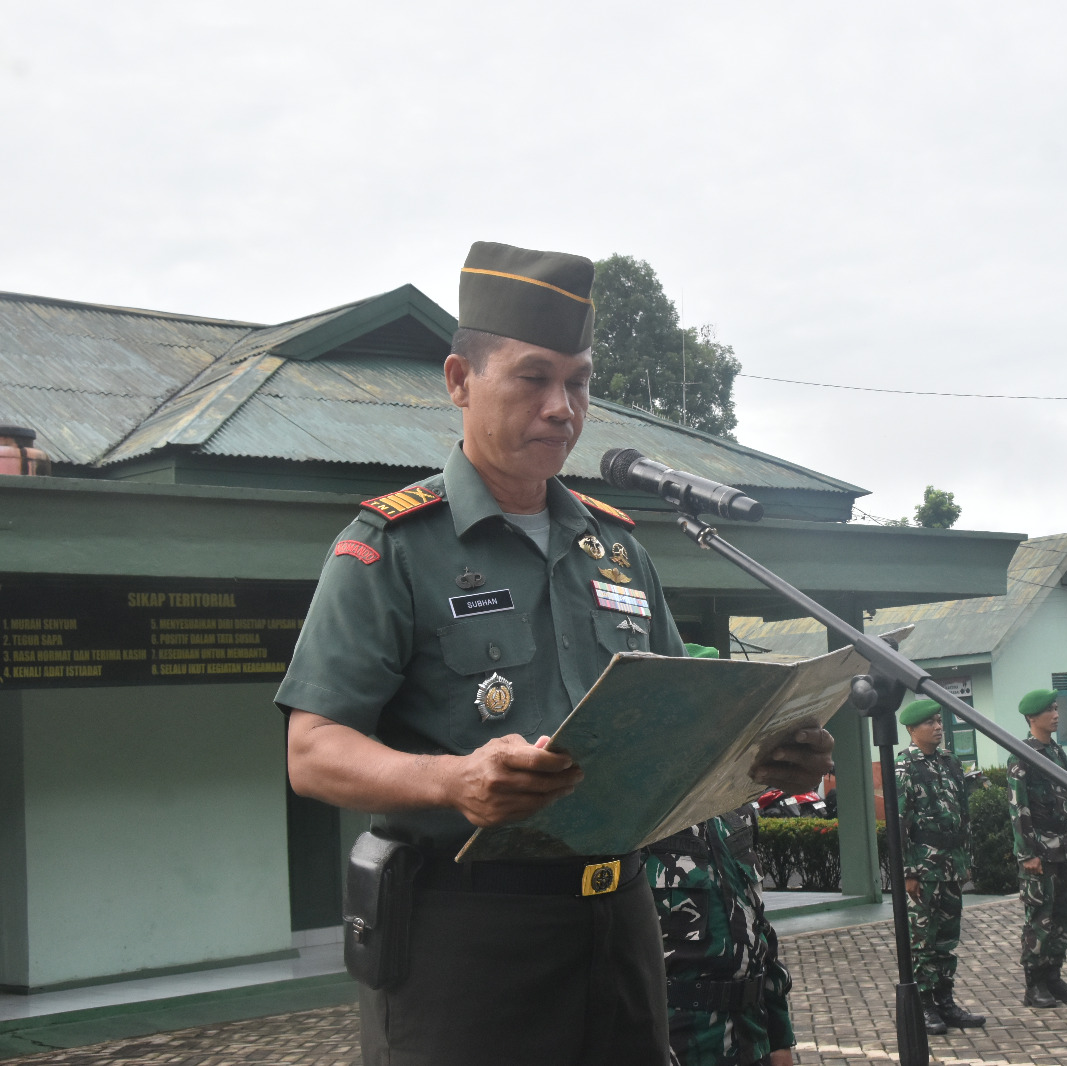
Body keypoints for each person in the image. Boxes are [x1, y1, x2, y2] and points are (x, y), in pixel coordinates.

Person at [277, 242, 834, 1066]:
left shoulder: (617, 549)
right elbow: (312, 752)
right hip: (464, 938)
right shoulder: (393, 549)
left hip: (623, 925)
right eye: (533, 378)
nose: (562, 407)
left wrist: (762, 757)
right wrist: (454, 780)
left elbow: (684, 733)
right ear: (460, 382)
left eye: (577, 381)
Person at [646, 645, 796, 1066]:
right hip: (676, 1037)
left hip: (750, 1035)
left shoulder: (738, 804)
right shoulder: (640, 814)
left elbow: (760, 928)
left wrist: (780, 1037)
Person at [895, 699, 987, 1036]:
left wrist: (966, 861)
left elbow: (963, 817)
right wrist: (907, 872)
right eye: (929, 723)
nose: (938, 726)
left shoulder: (951, 764)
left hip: (950, 866)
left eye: (938, 720)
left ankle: (945, 1001)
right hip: (924, 870)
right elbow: (899, 824)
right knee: (923, 940)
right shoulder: (904, 768)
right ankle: (925, 1005)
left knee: (947, 939)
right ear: (911, 730)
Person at [1007, 688, 1067, 1009]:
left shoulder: (1056, 752)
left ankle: (1053, 976)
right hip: (1039, 853)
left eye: (1056, 709)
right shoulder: (1022, 755)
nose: (1056, 714)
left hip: (1063, 849)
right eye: (1050, 710)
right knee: (1040, 918)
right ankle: (1035, 984)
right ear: (1032, 718)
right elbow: (1018, 808)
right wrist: (1027, 853)